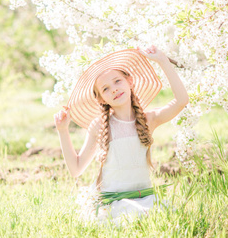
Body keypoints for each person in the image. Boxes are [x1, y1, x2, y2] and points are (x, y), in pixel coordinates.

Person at [54, 45, 189, 223]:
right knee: (129, 219)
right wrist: (63, 131)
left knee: (160, 217)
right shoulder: (100, 126)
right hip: (113, 201)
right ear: (102, 99)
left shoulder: (149, 120)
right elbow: (76, 169)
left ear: (130, 81)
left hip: (143, 197)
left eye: (118, 81)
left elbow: (182, 100)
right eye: (106, 89)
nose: (114, 89)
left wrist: (163, 60)